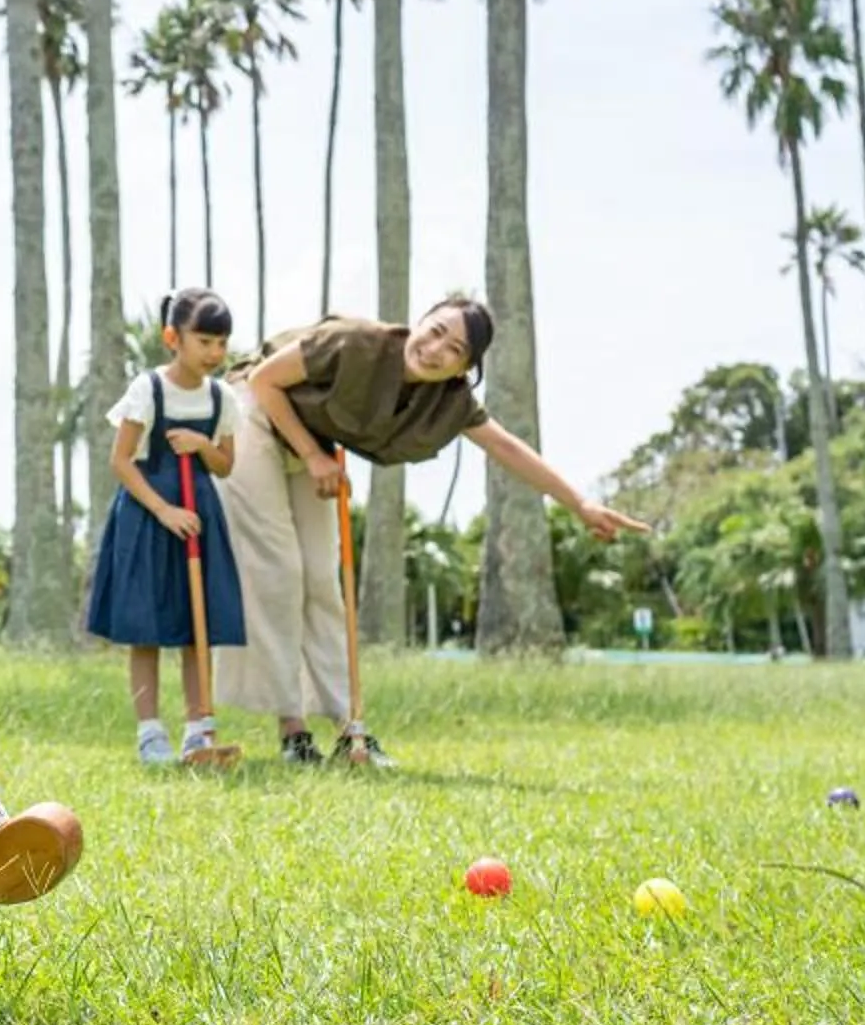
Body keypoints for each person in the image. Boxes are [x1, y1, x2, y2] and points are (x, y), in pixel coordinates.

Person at [212, 300, 646, 767]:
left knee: (320, 576)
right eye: (435, 330)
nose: (435, 348)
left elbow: (504, 445)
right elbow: (264, 381)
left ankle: (349, 731)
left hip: (307, 436)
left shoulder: (449, 402)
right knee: (279, 569)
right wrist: (315, 458)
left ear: (466, 368)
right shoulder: (356, 340)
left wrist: (580, 504)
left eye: (454, 348)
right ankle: (293, 732)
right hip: (251, 414)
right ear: (417, 322)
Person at [82, 290, 248, 766]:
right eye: (205, 341)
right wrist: (164, 511)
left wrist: (201, 444)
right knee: (147, 628)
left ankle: (199, 730)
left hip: (200, 520)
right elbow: (121, 461)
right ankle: (150, 734)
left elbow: (225, 466)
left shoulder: (222, 397)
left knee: (198, 629)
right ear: (173, 338)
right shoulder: (148, 389)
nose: (215, 353)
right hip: (149, 516)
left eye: (222, 343)